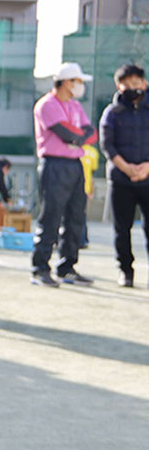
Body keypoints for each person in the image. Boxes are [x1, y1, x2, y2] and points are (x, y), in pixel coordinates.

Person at [31, 62, 98, 287]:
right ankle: (40, 268)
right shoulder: (46, 104)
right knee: (51, 216)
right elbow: (67, 134)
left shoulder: (75, 107)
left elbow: (91, 133)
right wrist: (78, 136)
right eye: (78, 81)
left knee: (76, 217)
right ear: (67, 82)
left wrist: (78, 136)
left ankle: (67, 267)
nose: (80, 86)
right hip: (54, 164)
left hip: (75, 164)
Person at [100, 63, 149, 288]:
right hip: (121, 180)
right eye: (126, 85)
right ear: (119, 87)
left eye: (136, 83)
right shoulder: (112, 112)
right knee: (122, 229)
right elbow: (107, 145)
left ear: (144, 83)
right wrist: (127, 168)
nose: (132, 88)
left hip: (148, 178)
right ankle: (125, 271)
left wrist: (146, 167)